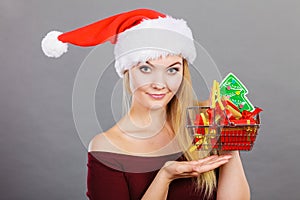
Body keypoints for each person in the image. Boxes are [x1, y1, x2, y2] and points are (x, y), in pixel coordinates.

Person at [41, 8, 250, 200]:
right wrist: (165, 177)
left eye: (172, 70)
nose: (160, 84)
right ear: (127, 71)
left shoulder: (202, 121)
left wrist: (229, 146)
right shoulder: (106, 147)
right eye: (146, 69)